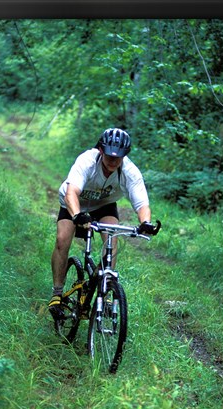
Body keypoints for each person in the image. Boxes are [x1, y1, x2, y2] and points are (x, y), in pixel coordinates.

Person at [49, 127, 157, 317]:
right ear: (100, 150)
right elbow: (71, 192)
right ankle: (57, 292)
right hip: (74, 203)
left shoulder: (129, 171)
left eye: (119, 157)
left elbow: (142, 203)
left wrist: (145, 223)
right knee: (62, 239)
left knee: (111, 243)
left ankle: (104, 288)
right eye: (109, 155)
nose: (113, 161)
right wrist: (77, 216)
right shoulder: (87, 161)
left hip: (104, 205)